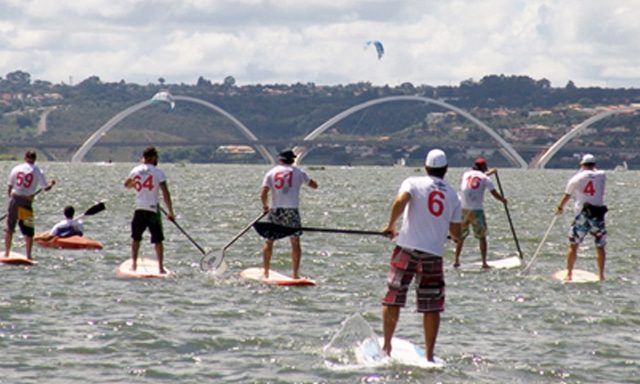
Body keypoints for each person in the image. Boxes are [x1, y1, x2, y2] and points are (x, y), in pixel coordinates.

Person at [381, 149, 461, 363]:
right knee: (432, 304)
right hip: (433, 253)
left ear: (426, 167)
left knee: (394, 297)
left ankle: (387, 347)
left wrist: (390, 226)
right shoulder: (453, 195)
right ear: (445, 170)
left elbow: (401, 201)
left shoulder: (413, 182)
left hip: (406, 247)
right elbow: (456, 232)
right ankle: (429, 356)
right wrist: (453, 236)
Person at [260, 149, 318, 279]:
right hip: (292, 210)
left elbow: (263, 193)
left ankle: (266, 272)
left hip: (276, 210)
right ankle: (295, 274)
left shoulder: (271, 173)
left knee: (269, 241)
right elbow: (314, 185)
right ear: (292, 160)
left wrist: (265, 206)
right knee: (295, 241)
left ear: (280, 159)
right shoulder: (299, 173)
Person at [556, 154, 607, 281]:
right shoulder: (602, 175)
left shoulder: (576, 178)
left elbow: (567, 195)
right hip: (597, 214)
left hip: (582, 215)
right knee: (600, 246)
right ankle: (601, 275)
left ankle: (569, 274)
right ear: (594, 165)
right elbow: (594, 175)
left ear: (582, 165)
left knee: (573, 244)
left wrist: (560, 207)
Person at [124, 146, 175, 274]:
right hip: (152, 210)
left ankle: (134, 265)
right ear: (152, 158)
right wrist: (170, 212)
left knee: (136, 238)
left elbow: (127, 185)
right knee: (158, 240)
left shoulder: (135, 170)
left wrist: (135, 183)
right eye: (156, 157)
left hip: (140, 208)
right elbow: (165, 193)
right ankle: (160, 268)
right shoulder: (158, 172)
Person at [453, 158, 507, 269]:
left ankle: (456, 260)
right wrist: (502, 200)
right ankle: (484, 262)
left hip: (463, 209)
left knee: (460, 237)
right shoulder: (486, 179)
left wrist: (490, 172)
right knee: (482, 237)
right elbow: (494, 193)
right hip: (476, 211)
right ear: (484, 168)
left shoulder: (466, 174)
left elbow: (478, 178)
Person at [4, 150, 56, 259]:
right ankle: (28, 255)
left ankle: (6, 253)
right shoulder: (37, 171)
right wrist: (51, 183)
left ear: (25, 158)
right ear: (35, 159)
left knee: (10, 228)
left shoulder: (16, 168)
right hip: (26, 203)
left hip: (14, 200)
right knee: (28, 230)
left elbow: (9, 186)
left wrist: (11, 200)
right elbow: (45, 188)